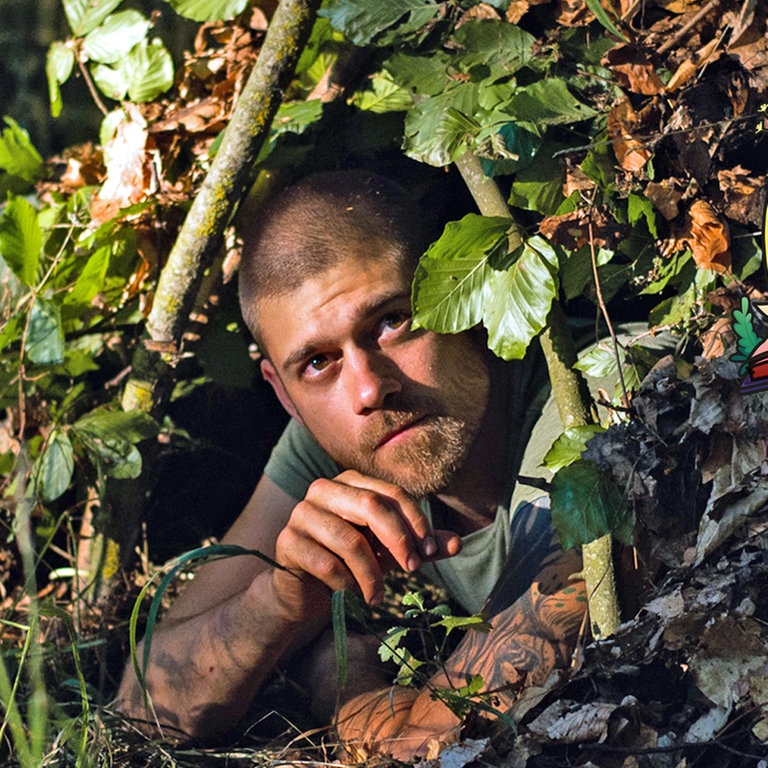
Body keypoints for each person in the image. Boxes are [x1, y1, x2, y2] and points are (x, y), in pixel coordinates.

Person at [116, 170, 587, 759]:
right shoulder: (336, 438)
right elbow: (141, 708)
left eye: (391, 322)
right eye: (317, 362)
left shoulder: (591, 406)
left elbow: (429, 750)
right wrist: (281, 603)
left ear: (468, 292)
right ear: (284, 396)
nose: (367, 389)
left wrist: (339, 676)